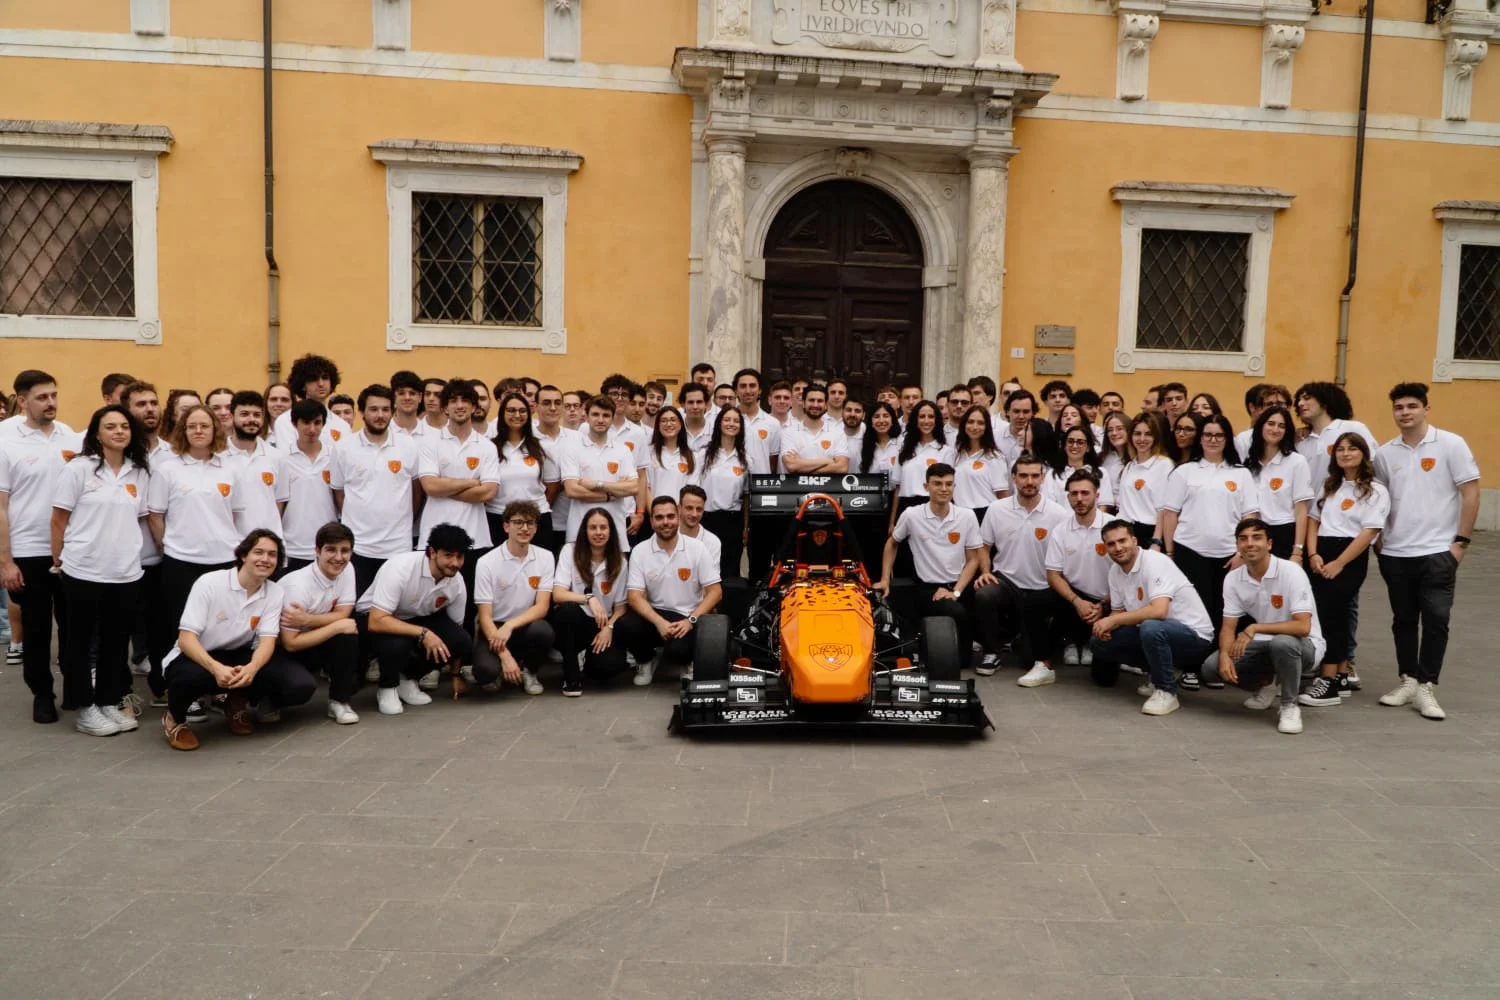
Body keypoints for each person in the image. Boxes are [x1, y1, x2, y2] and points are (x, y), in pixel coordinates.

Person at [1373, 382, 1480, 721]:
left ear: (1426, 409)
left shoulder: (1451, 444)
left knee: (1437, 619)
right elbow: (1379, 499)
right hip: (1396, 552)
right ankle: (1407, 679)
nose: (1405, 413)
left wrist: (1460, 543)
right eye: (1399, 407)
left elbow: (1471, 492)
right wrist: (1379, 541)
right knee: (1403, 620)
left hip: (1437, 552)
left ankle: (1426, 685)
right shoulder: (1385, 453)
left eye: (1411, 406)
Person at [160, 529, 315, 751]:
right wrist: (216, 669)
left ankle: (236, 701)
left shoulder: (275, 592)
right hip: (198, 654)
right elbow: (186, 640)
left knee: (300, 684)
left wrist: (252, 668)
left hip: (239, 653)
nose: (265, 559)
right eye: (258, 552)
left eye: (272, 555)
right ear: (244, 555)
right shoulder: (209, 583)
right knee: (188, 677)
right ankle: (175, 718)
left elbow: (267, 642)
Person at [52, 405, 150, 736]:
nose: (119, 432)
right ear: (97, 433)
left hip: (125, 572)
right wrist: (58, 560)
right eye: (111, 427)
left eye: (124, 426)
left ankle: (109, 701)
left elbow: (139, 519)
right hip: (84, 569)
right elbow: (58, 520)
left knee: (115, 641)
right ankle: (84, 707)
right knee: (79, 642)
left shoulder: (139, 471)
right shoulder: (79, 469)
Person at [0, 370, 82, 723]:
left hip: (68, 549)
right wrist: (5, 561)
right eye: (42, 397)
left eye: (53, 395)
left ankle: (75, 690)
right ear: (22, 400)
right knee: (36, 628)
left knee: (73, 624)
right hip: (28, 549)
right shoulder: (4, 438)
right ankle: (42, 694)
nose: (51, 403)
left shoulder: (69, 436)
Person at [148, 405, 244, 696]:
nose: (199, 431)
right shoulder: (168, 469)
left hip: (223, 561)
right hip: (182, 562)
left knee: (218, 628)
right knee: (181, 628)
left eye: (205, 425)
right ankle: (181, 692)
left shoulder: (230, 468)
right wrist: (169, 546)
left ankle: (218, 687)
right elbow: (155, 516)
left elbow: (235, 515)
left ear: (215, 429)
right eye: (192, 426)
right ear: (183, 431)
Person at [1159, 413, 1258, 688]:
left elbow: (1250, 515)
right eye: (1207, 435)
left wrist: (1242, 552)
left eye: (1219, 435)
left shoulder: (1240, 474)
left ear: (1227, 439)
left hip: (1230, 556)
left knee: (1224, 611)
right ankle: (1191, 667)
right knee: (1194, 613)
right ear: (1200, 438)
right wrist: (1170, 553)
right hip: (1190, 551)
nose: (1213, 440)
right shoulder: (1184, 472)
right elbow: (1170, 514)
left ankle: (1215, 668)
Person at [1207, 518, 1325, 735]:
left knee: (1283, 643)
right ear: (1237, 546)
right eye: (1243, 539)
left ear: (1269, 544)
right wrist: (1224, 654)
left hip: (1305, 646)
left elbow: (1303, 627)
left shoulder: (1291, 571)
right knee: (1211, 668)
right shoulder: (1233, 579)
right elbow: (1228, 627)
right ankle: (1267, 683)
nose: (1249, 543)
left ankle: (1290, 705)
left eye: (1257, 537)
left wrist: (1254, 628)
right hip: (1264, 644)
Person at [1089, 520, 1216, 717]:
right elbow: (1118, 612)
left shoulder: (1155, 561)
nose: (1118, 548)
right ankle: (1161, 672)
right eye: (1111, 544)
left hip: (1194, 637)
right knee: (1100, 642)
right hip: (1158, 632)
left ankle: (1166, 691)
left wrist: (1113, 621)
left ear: (1134, 540)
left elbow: (1159, 611)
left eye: (1122, 541)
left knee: (1151, 627)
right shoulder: (1115, 572)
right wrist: (1107, 626)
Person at [1300, 432, 1388, 708]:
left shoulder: (1375, 490)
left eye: (1352, 449)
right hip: (1321, 551)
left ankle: (1326, 681)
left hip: (1349, 554)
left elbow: (1369, 531)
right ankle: (1338, 673)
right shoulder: (1330, 486)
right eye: (1340, 449)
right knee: (1325, 611)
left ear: (1363, 453)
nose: (1345, 453)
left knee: (1332, 614)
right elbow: (1314, 520)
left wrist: (1340, 562)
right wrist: (1312, 553)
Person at [357, 522, 474, 715]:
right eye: (448, 555)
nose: (455, 563)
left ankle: (408, 678)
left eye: (459, 556)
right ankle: (387, 688)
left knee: (461, 640)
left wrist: (455, 675)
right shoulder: (400, 568)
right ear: (432, 552)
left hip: (416, 616)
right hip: (373, 618)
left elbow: (456, 629)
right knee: (397, 643)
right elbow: (376, 620)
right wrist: (423, 633)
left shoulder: (457, 582)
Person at [973, 456, 1069, 677]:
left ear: (1042, 478)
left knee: (1029, 660)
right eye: (1023, 476)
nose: (1029, 481)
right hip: (1007, 582)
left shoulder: (1058, 514)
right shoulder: (996, 509)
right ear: (1014, 478)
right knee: (985, 593)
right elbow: (983, 548)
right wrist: (985, 572)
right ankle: (991, 653)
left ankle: (1021, 640)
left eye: (1035, 476)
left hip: (1042, 589)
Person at [875, 462, 984, 658]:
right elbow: (892, 543)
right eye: (937, 483)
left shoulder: (966, 516)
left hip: (960, 586)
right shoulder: (911, 515)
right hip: (927, 589)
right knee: (952, 612)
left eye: (949, 484)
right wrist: (885, 579)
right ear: (926, 487)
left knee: (964, 659)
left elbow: (973, 560)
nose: (944, 489)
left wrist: (955, 591)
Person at [417, 378, 500, 627]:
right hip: (434, 536)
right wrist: (472, 482)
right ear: (444, 407)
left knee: (468, 607)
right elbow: (430, 486)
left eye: (465, 400)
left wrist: (446, 486)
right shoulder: (430, 442)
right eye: (453, 400)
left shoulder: (486, 446)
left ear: (475, 407)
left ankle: (462, 663)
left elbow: (488, 493)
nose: (459, 405)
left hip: (475, 539)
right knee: (428, 603)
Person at [617, 496, 722, 685]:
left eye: (670, 516)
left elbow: (715, 591)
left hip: (688, 615)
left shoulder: (697, 548)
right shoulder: (640, 551)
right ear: (651, 521)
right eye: (659, 517)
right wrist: (658, 622)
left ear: (678, 516)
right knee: (626, 625)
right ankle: (646, 659)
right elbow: (634, 597)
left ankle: (686, 661)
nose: (666, 522)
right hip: (656, 614)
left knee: (679, 651)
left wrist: (691, 620)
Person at [330, 384, 422, 597]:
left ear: (392, 411)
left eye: (385, 409)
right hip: (359, 547)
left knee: (396, 608)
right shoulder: (344, 447)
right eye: (373, 409)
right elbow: (339, 492)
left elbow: (417, 491)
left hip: (398, 546)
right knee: (358, 606)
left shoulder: (408, 445)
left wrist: (404, 521)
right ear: (362, 412)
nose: (380, 415)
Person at [277, 522, 362, 725]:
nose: (339, 558)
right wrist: (336, 625)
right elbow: (290, 643)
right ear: (317, 551)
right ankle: (270, 700)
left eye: (345, 551)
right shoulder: (297, 586)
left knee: (347, 637)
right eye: (331, 550)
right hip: (280, 650)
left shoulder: (347, 569)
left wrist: (308, 620)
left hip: (312, 636)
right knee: (299, 686)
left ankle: (339, 702)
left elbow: (344, 612)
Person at [470, 501, 556, 697]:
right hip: (494, 628)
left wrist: (510, 626)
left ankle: (530, 672)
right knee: (485, 673)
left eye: (530, 523)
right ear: (506, 526)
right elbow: (484, 616)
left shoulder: (545, 557)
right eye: (518, 522)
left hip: (523, 625)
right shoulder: (486, 562)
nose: (524, 528)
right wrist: (504, 654)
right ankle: (501, 669)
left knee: (543, 631)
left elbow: (542, 607)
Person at [550, 507, 631, 695]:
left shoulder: (620, 561)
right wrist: (589, 599)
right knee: (566, 611)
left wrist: (608, 628)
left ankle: (587, 660)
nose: (598, 533)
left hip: (602, 624)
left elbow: (621, 607)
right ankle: (571, 676)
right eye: (592, 528)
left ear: (611, 531)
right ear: (584, 531)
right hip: (576, 621)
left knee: (609, 668)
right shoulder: (569, 551)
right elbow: (558, 594)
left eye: (603, 528)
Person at [1045, 471, 1112, 678]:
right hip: (1074, 600)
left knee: (1104, 679)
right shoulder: (1060, 530)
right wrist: (1077, 601)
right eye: (1074, 494)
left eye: (1085, 493)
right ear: (1068, 497)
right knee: (1035, 602)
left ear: (1097, 495)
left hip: (1109, 602)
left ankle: (1095, 645)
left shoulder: (1114, 527)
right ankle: (1043, 661)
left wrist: (1102, 605)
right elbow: (1053, 574)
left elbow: (1129, 576)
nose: (1079, 499)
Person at [560, 394, 645, 549]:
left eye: (606, 415)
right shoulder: (571, 448)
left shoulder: (623, 450)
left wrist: (596, 484)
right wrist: (611, 494)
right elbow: (572, 490)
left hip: (615, 532)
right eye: (595, 414)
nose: (600, 420)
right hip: (579, 531)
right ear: (586, 417)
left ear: (612, 419)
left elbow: (633, 488)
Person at [488, 393, 559, 553]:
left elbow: (553, 486)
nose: (517, 415)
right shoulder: (490, 447)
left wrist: (532, 509)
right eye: (511, 410)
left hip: (537, 519)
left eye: (522, 411)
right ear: (502, 414)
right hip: (497, 518)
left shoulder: (542, 447)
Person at [276, 398, 338, 573]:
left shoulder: (335, 456)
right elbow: (278, 504)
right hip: (292, 547)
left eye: (317, 423)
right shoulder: (280, 458)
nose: (312, 429)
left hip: (327, 547)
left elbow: (341, 498)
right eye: (306, 423)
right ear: (295, 424)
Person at [1244, 405, 1313, 561]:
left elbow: (1301, 510)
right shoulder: (1249, 463)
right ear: (1261, 426)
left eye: (1281, 426)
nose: (1275, 429)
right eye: (1271, 424)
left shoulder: (1296, 462)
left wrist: (1297, 551)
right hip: (1255, 534)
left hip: (1285, 533)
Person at [221, 390, 282, 539]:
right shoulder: (218, 456)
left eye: (256, 415)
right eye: (244, 414)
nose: (251, 419)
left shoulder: (277, 456)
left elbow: (279, 502)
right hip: (230, 546)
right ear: (231, 415)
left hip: (268, 546)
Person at [699, 407, 749, 581]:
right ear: (719, 423)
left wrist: (745, 527)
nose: (731, 424)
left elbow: (747, 497)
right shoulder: (704, 455)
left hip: (733, 521)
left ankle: (727, 607)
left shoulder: (746, 459)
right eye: (727, 419)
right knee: (706, 568)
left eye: (736, 421)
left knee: (730, 570)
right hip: (706, 519)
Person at [275, 353, 351, 449]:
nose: (321, 384)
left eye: (325, 378)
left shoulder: (342, 426)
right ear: (302, 385)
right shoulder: (285, 421)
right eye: (313, 379)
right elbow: (287, 458)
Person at [1119, 413, 1171, 549]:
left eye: (1148, 434)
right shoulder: (1129, 466)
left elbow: (1163, 509)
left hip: (1150, 533)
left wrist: (1156, 540)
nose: (1142, 439)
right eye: (1137, 433)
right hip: (1127, 532)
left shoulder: (1163, 465)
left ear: (1155, 437)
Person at [1294, 381, 1377, 466]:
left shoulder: (1353, 429)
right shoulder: (1300, 441)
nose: (1300, 403)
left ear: (1325, 401)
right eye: (1299, 400)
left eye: (1307, 398)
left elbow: (1373, 462)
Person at [892, 400, 953, 514]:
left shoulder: (946, 451)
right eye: (922, 416)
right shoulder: (904, 450)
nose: (926, 421)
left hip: (933, 507)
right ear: (915, 420)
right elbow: (898, 489)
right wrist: (892, 522)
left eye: (930, 417)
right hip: (905, 506)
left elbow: (948, 488)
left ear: (937, 420)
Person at [952, 405, 1008, 524]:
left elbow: (1003, 495)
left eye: (980, 423)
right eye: (971, 422)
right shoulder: (955, 454)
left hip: (984, 515)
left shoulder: (995, 457)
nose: (975, 427)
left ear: (986, 427)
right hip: (958, 514)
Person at [642, 406, 699, 521]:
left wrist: (678, 515)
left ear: (680, 425)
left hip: (680, 517)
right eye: (664, 421)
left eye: (673, 420)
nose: (669, 424)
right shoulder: (648, 452)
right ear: (657, 425)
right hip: (655, 516)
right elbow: (645, 487)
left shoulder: (691, 456)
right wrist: (655, 514)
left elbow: (691, 491)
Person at [1044, 425, 1116, 511]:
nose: (1074, 446)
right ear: (1064, 446)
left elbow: (1103, 505)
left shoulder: (1101, 473)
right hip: (1061, 523)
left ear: (1088, 448)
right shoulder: (1052, 475)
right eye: (1070, 441)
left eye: (1080, 442)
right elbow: (1049, 506)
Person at [780, 384, 848, 473]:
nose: (815, 405)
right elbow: (791, 465)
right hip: (797, 487)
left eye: (820, 401)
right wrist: (828, 461)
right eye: (811, 400)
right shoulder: (789, 432)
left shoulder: (837, 432)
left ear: (826, 405)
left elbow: (842, 468)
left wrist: (801, 464)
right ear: (804, 403)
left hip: (828, 487)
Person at [732, 368, 781, 475]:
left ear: (760, 390)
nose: (748, 391)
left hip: (761, 486)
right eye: (743, 386)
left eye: (752, 386)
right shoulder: (728, 422)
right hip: (733, 483)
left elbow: (773, 461)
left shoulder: (772, 423)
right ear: (735, 391)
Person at [858, 401, 901, 478]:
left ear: (892, 420)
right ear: (871, 422)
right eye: (876, 416)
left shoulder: (902, 443)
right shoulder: (863, 445)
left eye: (885, 416)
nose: (881, 421)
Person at [997, 390, 1036, 469]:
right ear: (1007, 411)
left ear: (1033, 413)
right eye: (1016, 411)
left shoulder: (1040, 438)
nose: (1021, 416)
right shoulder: (995, 437)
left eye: (1026, 412)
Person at [389, 370, 427, 438]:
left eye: (412, 393)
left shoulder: (433, 435)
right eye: (401, 393)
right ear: (393, 397)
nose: (407, 398)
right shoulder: (383, 433)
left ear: (420, 397)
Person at [679, 384, 713, 452]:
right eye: (690, 402)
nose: (695, 407)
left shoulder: (715, 431)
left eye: (699, 402)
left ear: (706, 404)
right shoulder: (676, 431)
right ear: (683, 405)